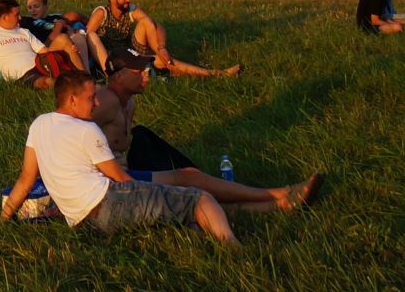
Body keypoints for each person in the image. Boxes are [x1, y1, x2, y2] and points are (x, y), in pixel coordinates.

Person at [0, 71, 238, 243]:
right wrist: (151, 192)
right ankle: (234, 251)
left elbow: (26, 179)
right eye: (91, 97)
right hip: (107, 203)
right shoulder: (86, 129)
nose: (96, 103)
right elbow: (119, 179)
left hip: (82, 223)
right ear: (72, 100)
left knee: (185, 218)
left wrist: (4, 219)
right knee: (201, 199)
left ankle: (205, 228)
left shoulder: (39, 124)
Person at [91, 47, 321, 212]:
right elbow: (67, 133)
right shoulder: (104, 101)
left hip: (125, 175)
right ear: (119, 77)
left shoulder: (128, 103)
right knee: (189, 184)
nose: (146, 74)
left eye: (145, 69)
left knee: (193, 183)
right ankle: (281, 194)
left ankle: (280, 202)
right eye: (138, 71)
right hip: (108, 185)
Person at [85, 0, 240, 77]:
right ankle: (111, 73)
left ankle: (216, 74)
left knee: (147, 23)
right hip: (112, 58)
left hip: (129, 53)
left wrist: (162, 48)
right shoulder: (102, 13)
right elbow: (88, 38)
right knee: (91, 35)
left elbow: (154, 25)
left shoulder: (130, 9)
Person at [0, 0, 87, 87]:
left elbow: (45, 51)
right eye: (16, 14)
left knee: (63, 38)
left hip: (40, 63)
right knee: (44, 82)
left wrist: (67, 47)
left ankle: (85, 79)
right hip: (23, 74)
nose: (20, 17)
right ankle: (67, 84)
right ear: (5, 17)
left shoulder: (23, 31)